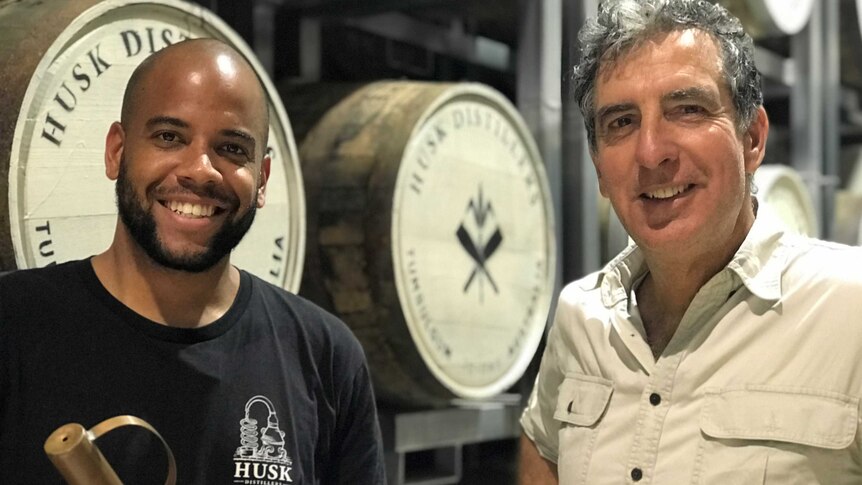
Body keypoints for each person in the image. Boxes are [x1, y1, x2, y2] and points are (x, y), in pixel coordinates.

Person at [0, 38, 385, 484]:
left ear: (261, 181)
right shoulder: (13, 326)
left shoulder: (327, 357)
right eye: (169, 137)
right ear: (117, 152)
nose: (201, 169)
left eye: (233, 149)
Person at [519, 0, 862, 483]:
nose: (651, 151)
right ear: (599, 166)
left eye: (687, 110)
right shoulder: (580, 315)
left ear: (752, 139)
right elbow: (543, 447)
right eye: (621, 122)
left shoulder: (851, 309)